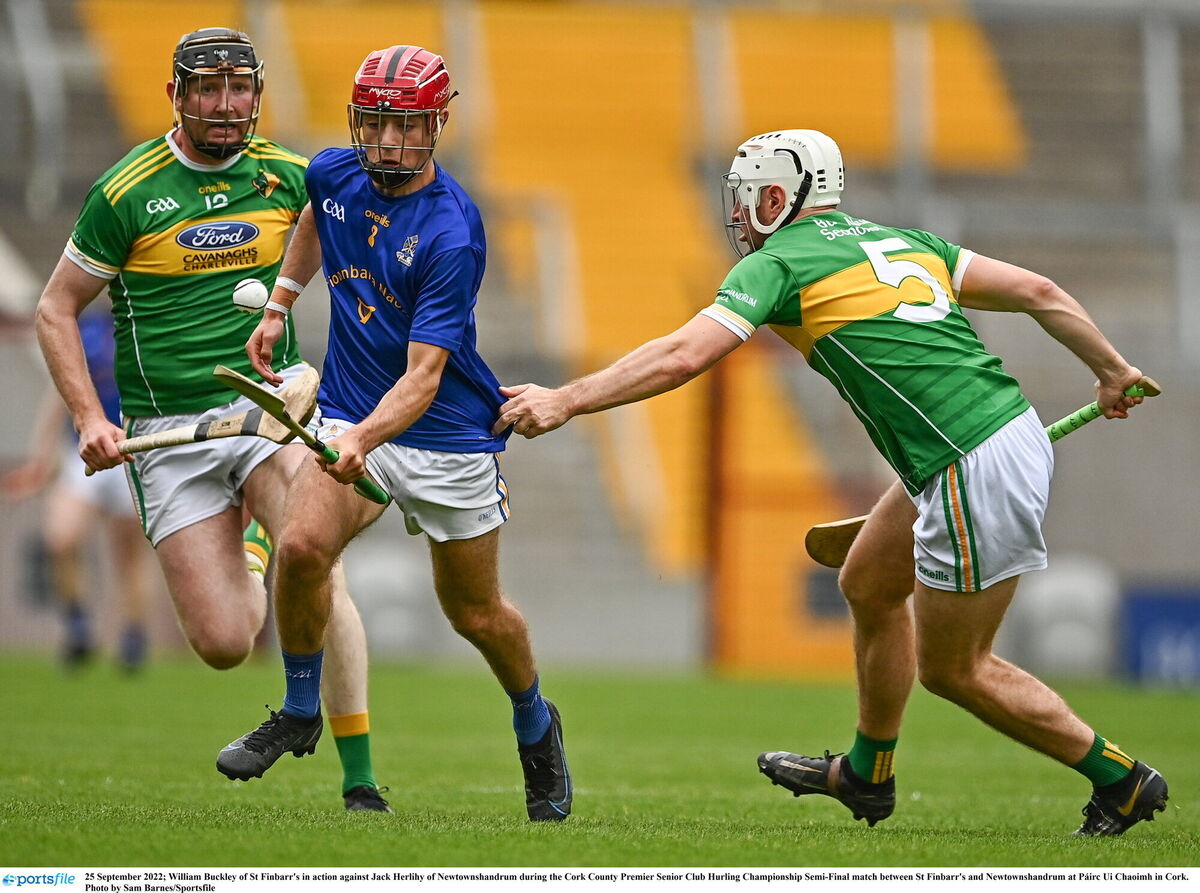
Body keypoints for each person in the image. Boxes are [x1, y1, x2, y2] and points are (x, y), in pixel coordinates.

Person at [493, 129, 1167, 836]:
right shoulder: (909, 242)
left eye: (748, 201)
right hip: (996, 434)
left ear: (779, 198)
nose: (741, 215)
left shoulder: (781, 260)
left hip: (971, 462)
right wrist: (1111, 369)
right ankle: (868, 773)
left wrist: (567, 398)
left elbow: (686, 353)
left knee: (956, 667)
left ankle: (1121, 779)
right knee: (870, 581)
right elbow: (1039, 289)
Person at [33, 27, 389, 812]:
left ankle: (360, 780)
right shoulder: (127, 193)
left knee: (319, 555)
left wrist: (333, 378)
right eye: (207, 88)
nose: (226, 105)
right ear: (175, 96)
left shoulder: (292, 177)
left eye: (239, 87)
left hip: (270, 410)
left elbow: (379, 251)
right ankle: (258, 548)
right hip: (169, 436)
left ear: (258, 93)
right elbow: (56, 309)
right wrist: (89, 418)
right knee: (227, 641)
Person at [215, 45, 572, 822]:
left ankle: (536, 723)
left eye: (404, 127)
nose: (385, 143)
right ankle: (302, 709)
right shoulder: (336, 172)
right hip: (350, 406)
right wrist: (280, 302)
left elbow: (424, 378)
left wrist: (362, 442)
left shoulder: (453, 231)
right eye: (373, 124)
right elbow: (317, 217)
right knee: (304, 548)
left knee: (476, 613)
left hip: (442, 434)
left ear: (436, 125)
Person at [3, 308, 153, 671]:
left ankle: (133, 636)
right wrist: (41, 460)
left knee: (127, 553)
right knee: (61, 537)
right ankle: (78, 625)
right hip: (84, 449)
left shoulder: (149, 324)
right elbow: (61, 395)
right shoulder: (85, 328)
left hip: (132, 453)